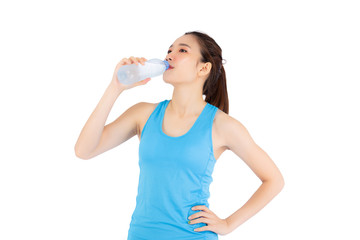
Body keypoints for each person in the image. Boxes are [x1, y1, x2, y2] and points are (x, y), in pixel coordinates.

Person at [74, 31, 285, 240]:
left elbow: (274, 180)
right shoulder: (144, 114)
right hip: (141, 235)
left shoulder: (222, 125)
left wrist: (228, 224)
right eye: (169, 50)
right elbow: (84, 150)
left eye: (182, 50)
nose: (169, 55)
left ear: (204, 68)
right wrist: (115, 88)